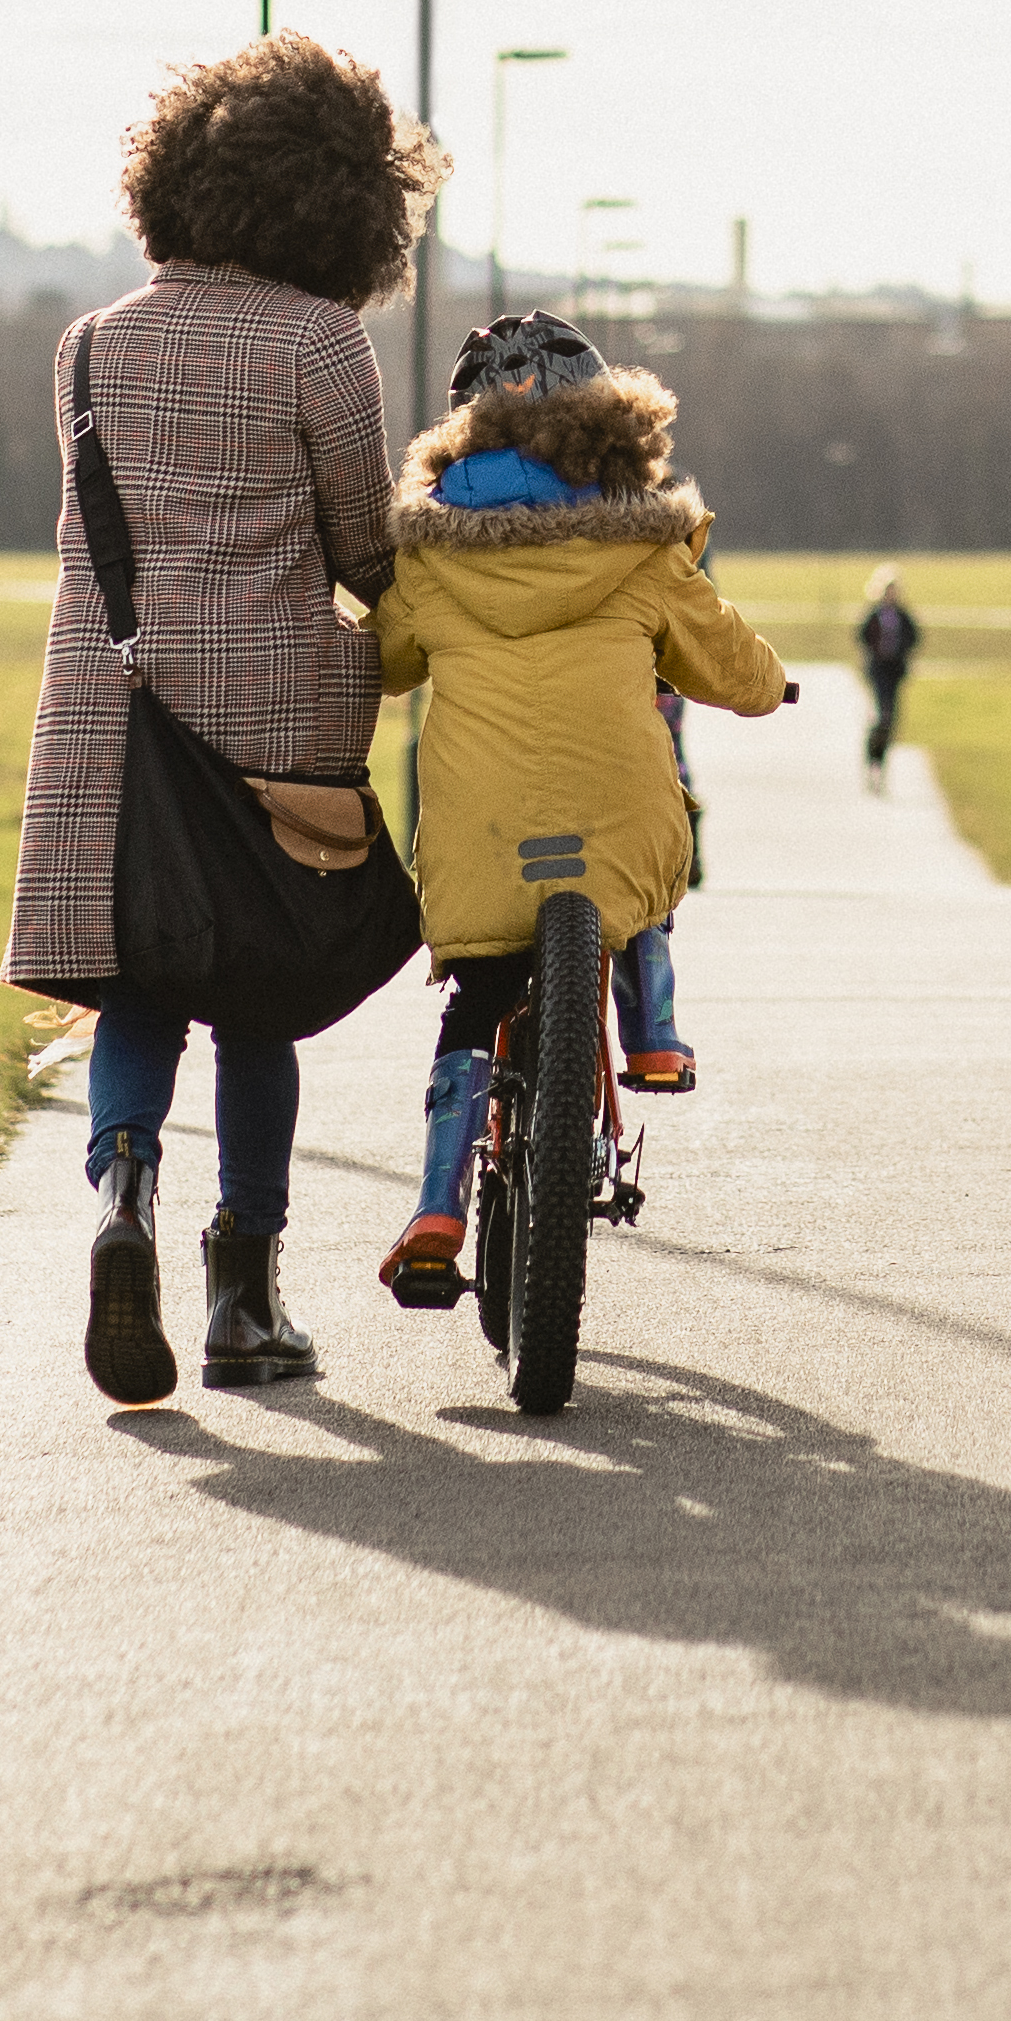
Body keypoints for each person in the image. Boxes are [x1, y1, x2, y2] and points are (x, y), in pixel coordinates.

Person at [11, 33, 438, 1405]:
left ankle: (121, 1194)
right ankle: (243, 1291)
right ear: (343, 203)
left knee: (142, 980)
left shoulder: (91, 346)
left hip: (111, 721)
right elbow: (367, 550)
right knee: (262, 996)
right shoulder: (323, 343)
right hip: (271, 718)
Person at [369, 316, 788, 1307]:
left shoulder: (429, 556)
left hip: (479, 826)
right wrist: (775, 687)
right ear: (607, 423)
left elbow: (384, 660)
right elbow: (725, 658)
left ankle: (438, 1197)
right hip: (613, 806)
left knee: (476, 994)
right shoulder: (641, 541)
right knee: (639, 869)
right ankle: (654, 1028)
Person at [853, 564, 921, 780]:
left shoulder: (902, 615)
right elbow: (862, 635)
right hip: (878, 670)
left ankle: (880, 761)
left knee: (891, 718)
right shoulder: (874, 614)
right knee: (881, 715)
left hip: (895, 671)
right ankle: (872, 756)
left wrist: (902, 653)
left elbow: (914, 637)